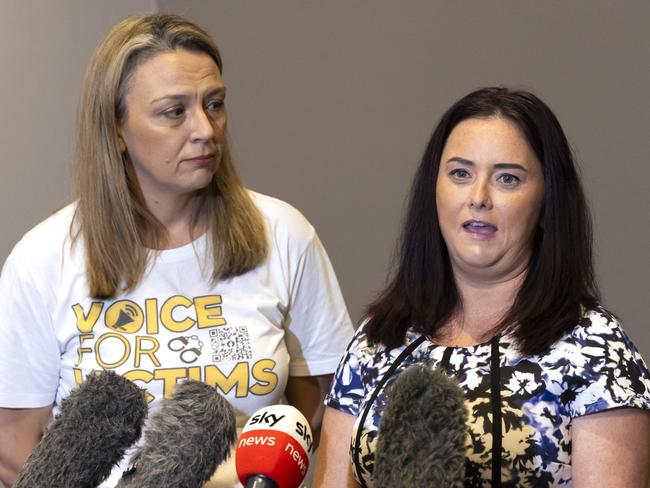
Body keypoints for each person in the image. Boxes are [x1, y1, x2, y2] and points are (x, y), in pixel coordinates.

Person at [0, 13, 354, 488]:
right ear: (117, 129)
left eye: (215, 104)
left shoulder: (285, 234)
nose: (206, 129)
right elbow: (13, 447)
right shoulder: (43, 260)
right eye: (174, 111)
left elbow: (331, 412)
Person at [313, 87, 650, 487]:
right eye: (460, 174)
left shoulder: (594, 348)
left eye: (507, 178)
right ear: (433, 190)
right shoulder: (378, 338)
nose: (478, 197)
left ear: (546, 202)